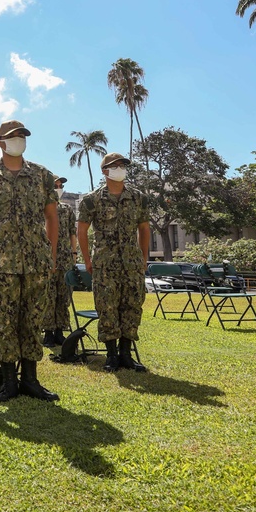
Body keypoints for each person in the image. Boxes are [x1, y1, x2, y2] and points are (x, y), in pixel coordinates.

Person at [0, 120, 60, 402]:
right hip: (1, 262)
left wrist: (51, 253)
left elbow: (52, 217)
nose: (19, 140)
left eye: (22, 136)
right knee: (5, 321)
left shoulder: (42, 175)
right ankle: (9, 382)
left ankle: (30, 379)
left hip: (36, 261)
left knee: (32, 321)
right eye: (13, 136)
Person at [77, 153, 150, 372]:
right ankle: (111, 356)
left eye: (123, 165)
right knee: (107, 308)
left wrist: (143, 258)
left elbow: (144, 229)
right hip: (104, 263)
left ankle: (126, 354)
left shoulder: (139, 198)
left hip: (132, 263)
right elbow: (81, 230)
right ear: (105, 171)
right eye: (115, 166)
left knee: (132, 306)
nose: (120, 168)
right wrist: (87, 260)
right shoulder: (92, 199)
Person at [42, 176, 78, 347]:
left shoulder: (67, 209)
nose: (59, 188)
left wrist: (74, 253)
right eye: (55, 185)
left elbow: (73, 233)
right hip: (46, 259)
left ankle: (59, 331)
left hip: (64, 258)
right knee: (48, 296)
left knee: (64, 297)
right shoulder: (40, 208)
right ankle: (48, 332)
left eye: (61, 185)